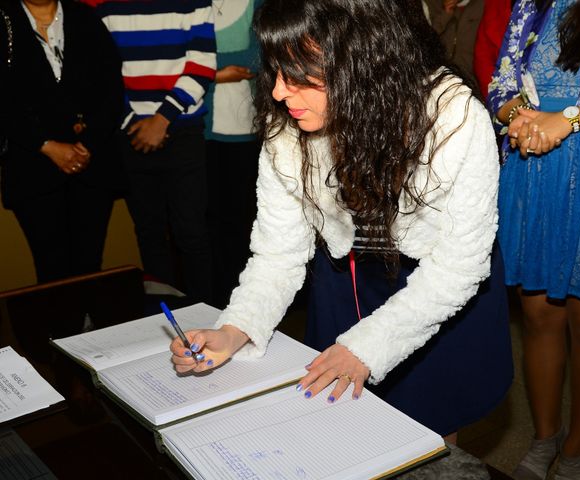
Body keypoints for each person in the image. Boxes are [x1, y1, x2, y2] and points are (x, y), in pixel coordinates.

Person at [170, 0, 513, 442]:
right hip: (347, 280)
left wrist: (368, 346)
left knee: (430, 435)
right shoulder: (288, 127)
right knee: (347, 435)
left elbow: (457, 267)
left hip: (436, 291)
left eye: (298, 75)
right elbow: (278, 254)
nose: (277, 92)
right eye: (276, 70)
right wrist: (236, 328)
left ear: (363, 59)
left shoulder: (453, 116)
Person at [488, 0, 580, 478]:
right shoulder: (531, 5)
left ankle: (577, 447)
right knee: (537, 317)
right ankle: (544, 435)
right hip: (534, 171)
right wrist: (518, 116)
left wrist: (570, 118)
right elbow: (500, 83)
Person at [89, 0, 216, 304]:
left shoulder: (195, 2)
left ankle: (207, 319)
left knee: (193, 233)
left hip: (182, 129)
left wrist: (162, 119)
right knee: (149, 234)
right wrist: (133, 121)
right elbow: (101, 71)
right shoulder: (103, 6)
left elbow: (202, 64)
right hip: (130, 132)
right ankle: (162, 321)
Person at [0, 0, 123, 284]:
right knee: (50, 267)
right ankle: (59, 329)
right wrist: (46, 144)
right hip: (32, 167)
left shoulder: (84, 16)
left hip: (91, 165)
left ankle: (89, 326)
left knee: (90, 263)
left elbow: (112, 88)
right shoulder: (4, 19)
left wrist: (88, 143)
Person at [204, 0, 263, 309]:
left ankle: (240, 304)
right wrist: (216, 72)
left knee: (240, 224)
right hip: (196, 130)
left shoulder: (255, 4)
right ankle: (209, 302)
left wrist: (202, 67)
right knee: (202, 225)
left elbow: (257, 56)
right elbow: (173, 59)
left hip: (244, 129)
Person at [424, 0, 485, 81]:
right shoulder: (433, 5)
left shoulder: (482, 5)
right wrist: (445, 14)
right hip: (442, 75)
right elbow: (427, 41)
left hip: (471, 76)